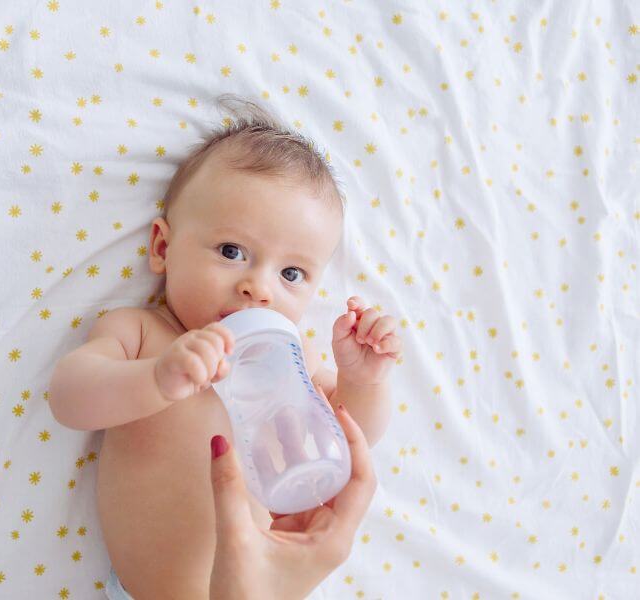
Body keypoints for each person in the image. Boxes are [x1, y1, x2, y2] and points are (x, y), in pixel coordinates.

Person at [49, 94, 402, 598]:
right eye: (232, 251)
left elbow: (353, 436)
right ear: (163, 248)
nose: (260, 287)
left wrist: (362, 381)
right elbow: (70, 397)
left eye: (291, 273)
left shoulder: (288, 364)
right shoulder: (145, 334)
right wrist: (155, 378)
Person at [207, 395, 377, 599]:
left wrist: (362, 383)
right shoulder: (170, 371)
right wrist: (159, 380)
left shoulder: (299, 371)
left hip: (262, 578)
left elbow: (354, 438)